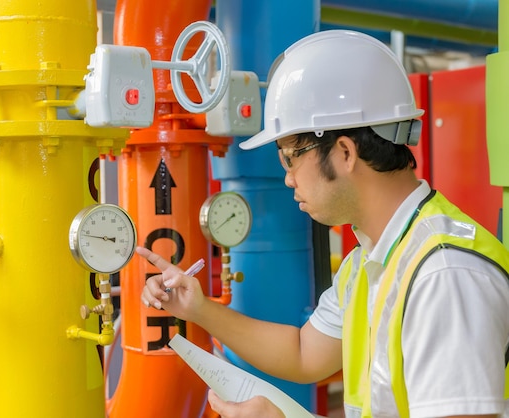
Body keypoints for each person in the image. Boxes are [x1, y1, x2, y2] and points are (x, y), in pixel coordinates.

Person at [138, 30, 509, 418]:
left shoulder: (443, 275)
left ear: (345, 152)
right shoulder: (368, 263)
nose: (288, 178)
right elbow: (303, 352)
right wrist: (198, 308)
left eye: (290, 158)